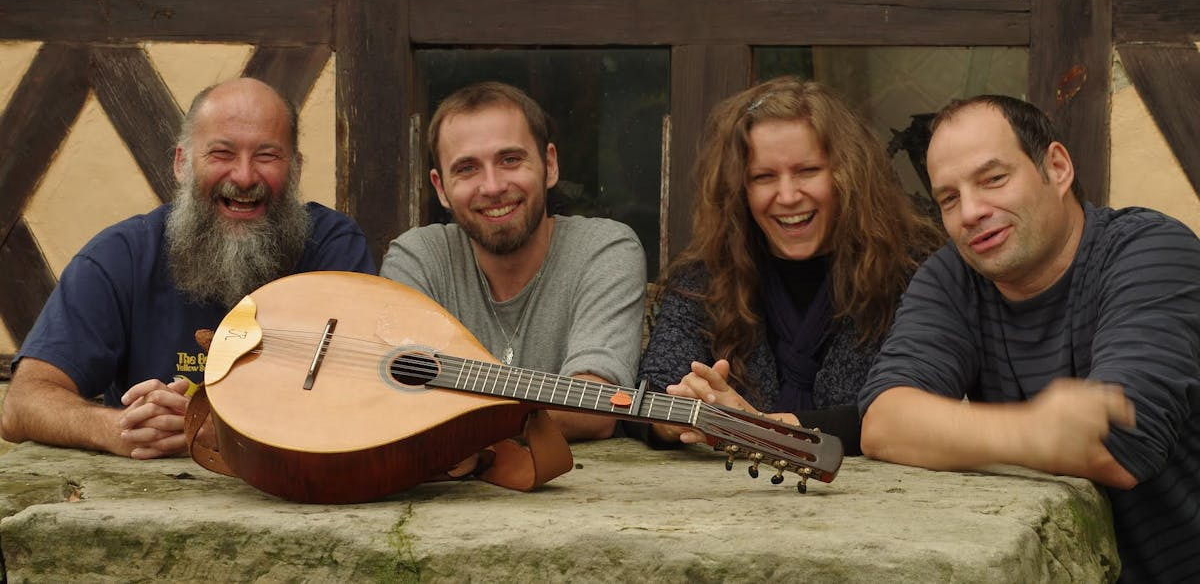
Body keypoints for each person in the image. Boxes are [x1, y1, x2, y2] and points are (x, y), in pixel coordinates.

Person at [858, 95, 1199, 582]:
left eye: (993, 179)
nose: (971, 212)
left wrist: (958, 432)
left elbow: (1123, 448)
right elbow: (884, 423)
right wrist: (1035, 429)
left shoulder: (1152, 251)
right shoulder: (951, 277)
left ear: (1056, 168)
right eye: (949, 199)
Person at [0, 77, 376, 460]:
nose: (244, 177)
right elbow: (22, 404)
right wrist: (120, 428)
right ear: (182, 164)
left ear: (295, 169)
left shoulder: (332, 249)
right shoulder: (122, 256)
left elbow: (364, 397)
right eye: (221, 154)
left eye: (266, 156)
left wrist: (210, 428)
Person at [638, 77, 943, 454]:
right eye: (763, 177)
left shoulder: (912, 271)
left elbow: (919, 408)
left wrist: (760, 430)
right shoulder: (704, 277)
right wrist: (682, 415)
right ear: (739, 189)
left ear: (848, 175)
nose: (787, 195)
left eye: (807, 171)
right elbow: (652, 391)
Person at [379, 81, 646, 442]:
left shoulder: (603, 248)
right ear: (440, 188)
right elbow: (400, 397)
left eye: (510, 160)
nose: (492, 186)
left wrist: (459, 413)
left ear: (549, 165)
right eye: (468, 168)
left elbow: (593, 409)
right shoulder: (419, 258)